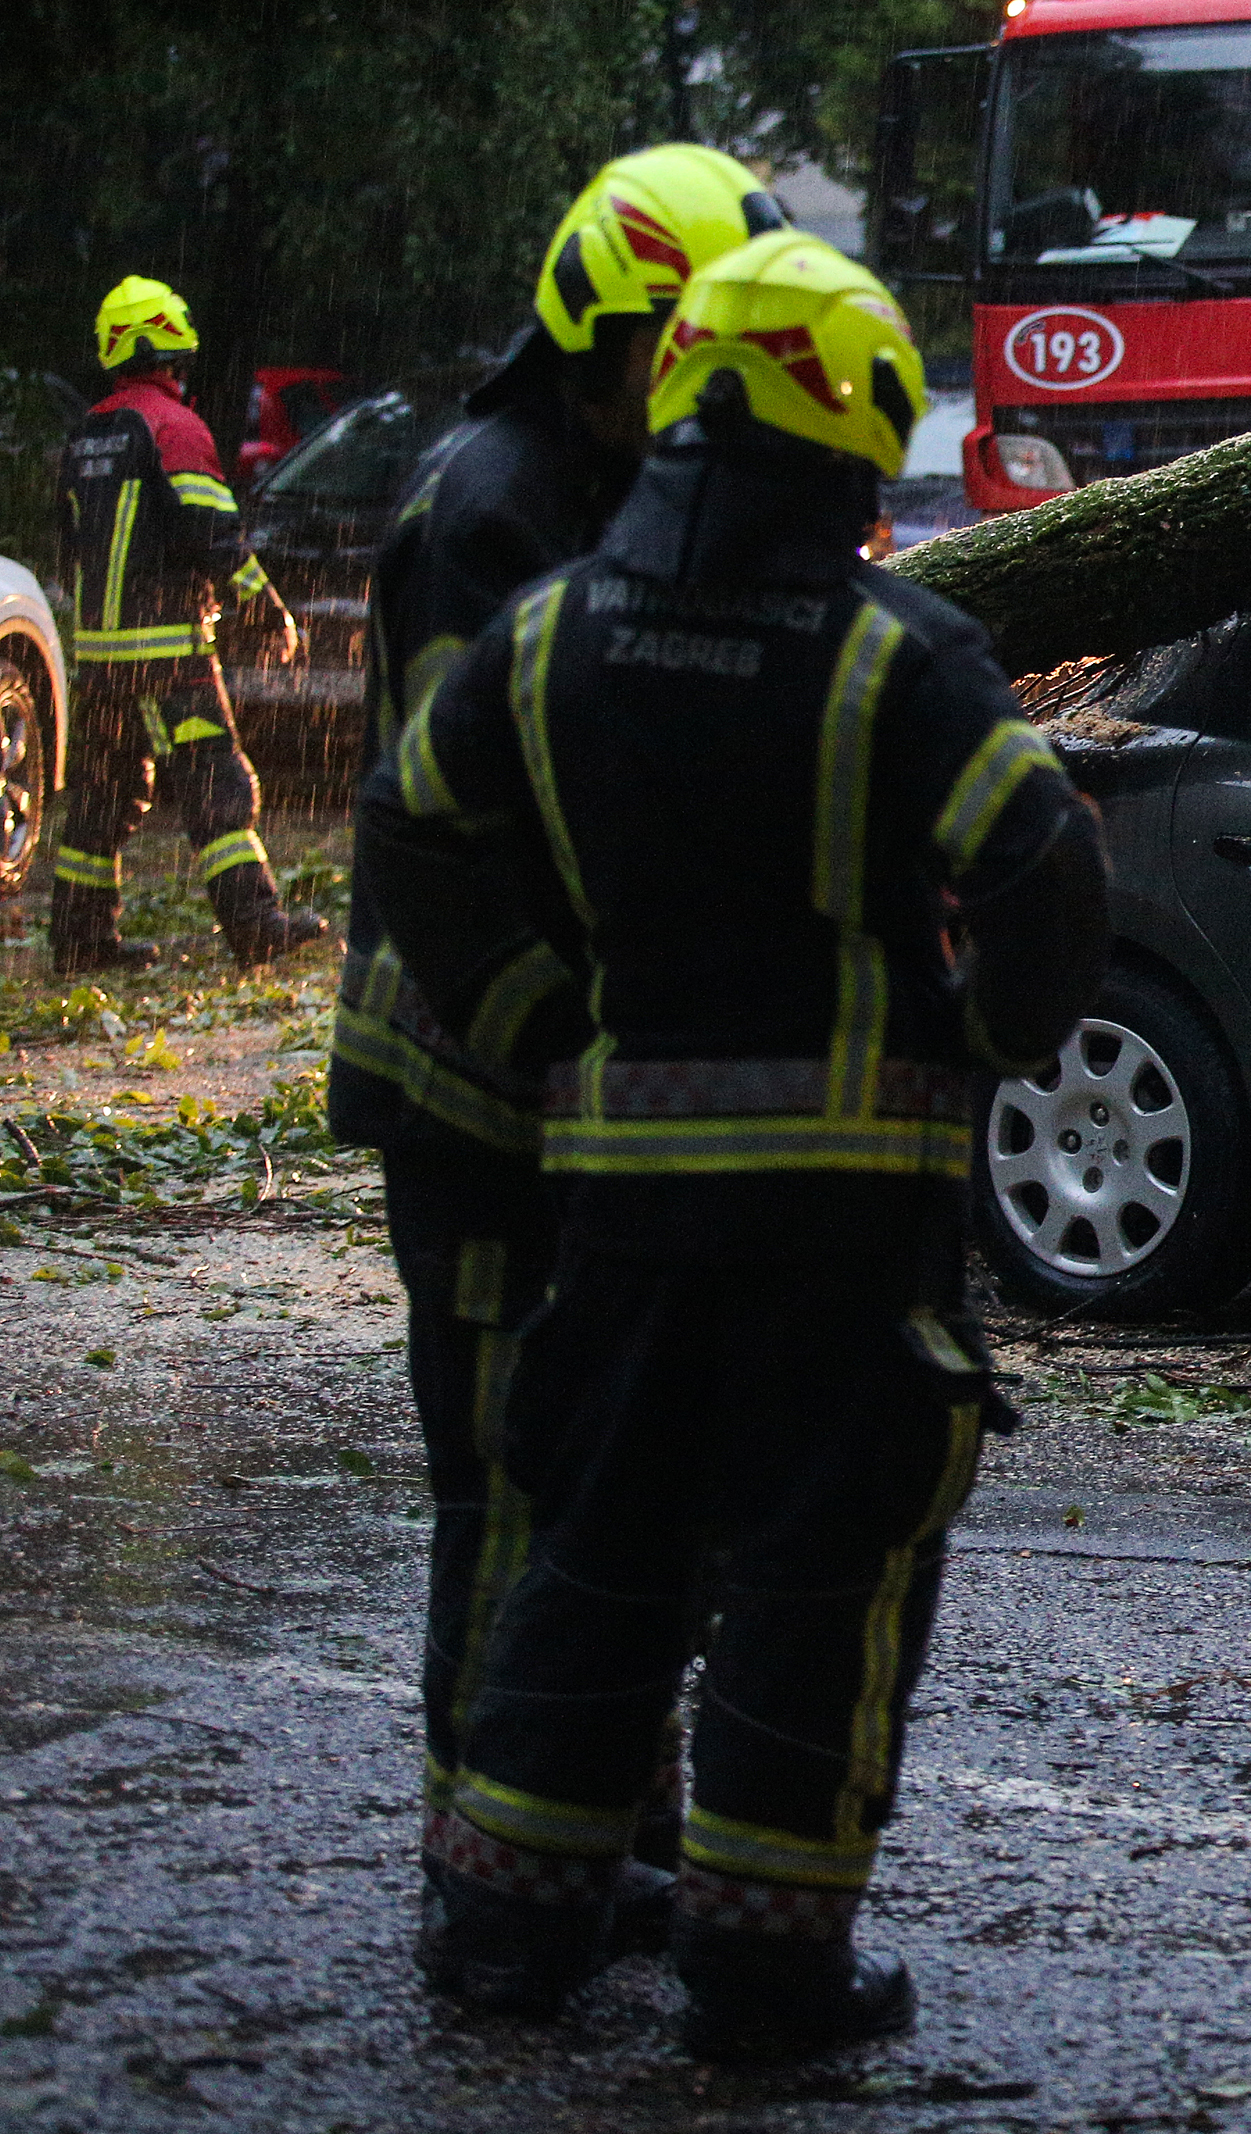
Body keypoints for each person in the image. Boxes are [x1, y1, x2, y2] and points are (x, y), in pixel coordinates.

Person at [356, 230, 1106, 2059]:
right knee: (811, 1577)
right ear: (847, 427)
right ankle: (764, 1972)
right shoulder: (896, 663)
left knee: (593, 1549)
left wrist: (543, 1019)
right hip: (840, 1234)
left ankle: (504, 1930)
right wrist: (987, 1033)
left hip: (613, 1210)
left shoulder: (546, 639)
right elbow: (1048, 869)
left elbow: (409, 830)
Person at [326, 145, 786, 1950]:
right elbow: (460, 835)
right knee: (506, 1485)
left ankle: (600, 1811)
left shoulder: (601, 479)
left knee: (623, 1471)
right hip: (473, 1080)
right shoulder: (486, 514)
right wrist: (559, 1047)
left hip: (582, 1080)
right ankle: (485, 1851)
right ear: (602, 337)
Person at [46, 276, 322, 973]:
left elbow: (68, 542)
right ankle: (256, 924)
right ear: (176, 351)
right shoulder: (174, 426)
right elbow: (214, 535)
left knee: (100, 801)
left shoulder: (86, 434)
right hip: (170, 655)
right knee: (216, 786)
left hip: (100, 660)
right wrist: (267, 609)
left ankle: (79, 942)